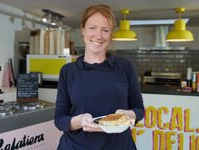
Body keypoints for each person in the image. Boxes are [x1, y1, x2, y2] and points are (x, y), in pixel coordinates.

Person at [54, 4, 145, 150]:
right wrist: (80, 121)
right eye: (92, 28)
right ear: (82, 29)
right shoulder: (68, 71)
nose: (98, 35)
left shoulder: (125, 67)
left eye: (105, 30)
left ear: (110, 35)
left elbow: (139, 110)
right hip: (75, 146)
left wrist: (126, 115)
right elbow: (60, 120)